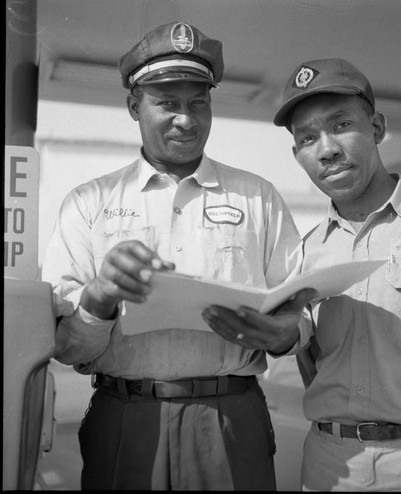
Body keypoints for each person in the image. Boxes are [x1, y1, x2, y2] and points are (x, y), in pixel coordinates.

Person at [42, 22, 315, 491]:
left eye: (198, 103)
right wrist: (100, 296)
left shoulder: (259, 197)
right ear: (134, 106)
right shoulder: (88, 203)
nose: (186, 120)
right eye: (167, 103)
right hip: (123, 419)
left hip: (231, 419)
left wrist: (285, 333)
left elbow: (302, 309)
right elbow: (67, 348)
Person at [202, 58, 401, 492]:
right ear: (297, 154)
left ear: (376, 127)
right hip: (334, 469)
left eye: (341, 126)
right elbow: (306, 362)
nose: (327, 149)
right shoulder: (303, 254)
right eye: (308, 138)